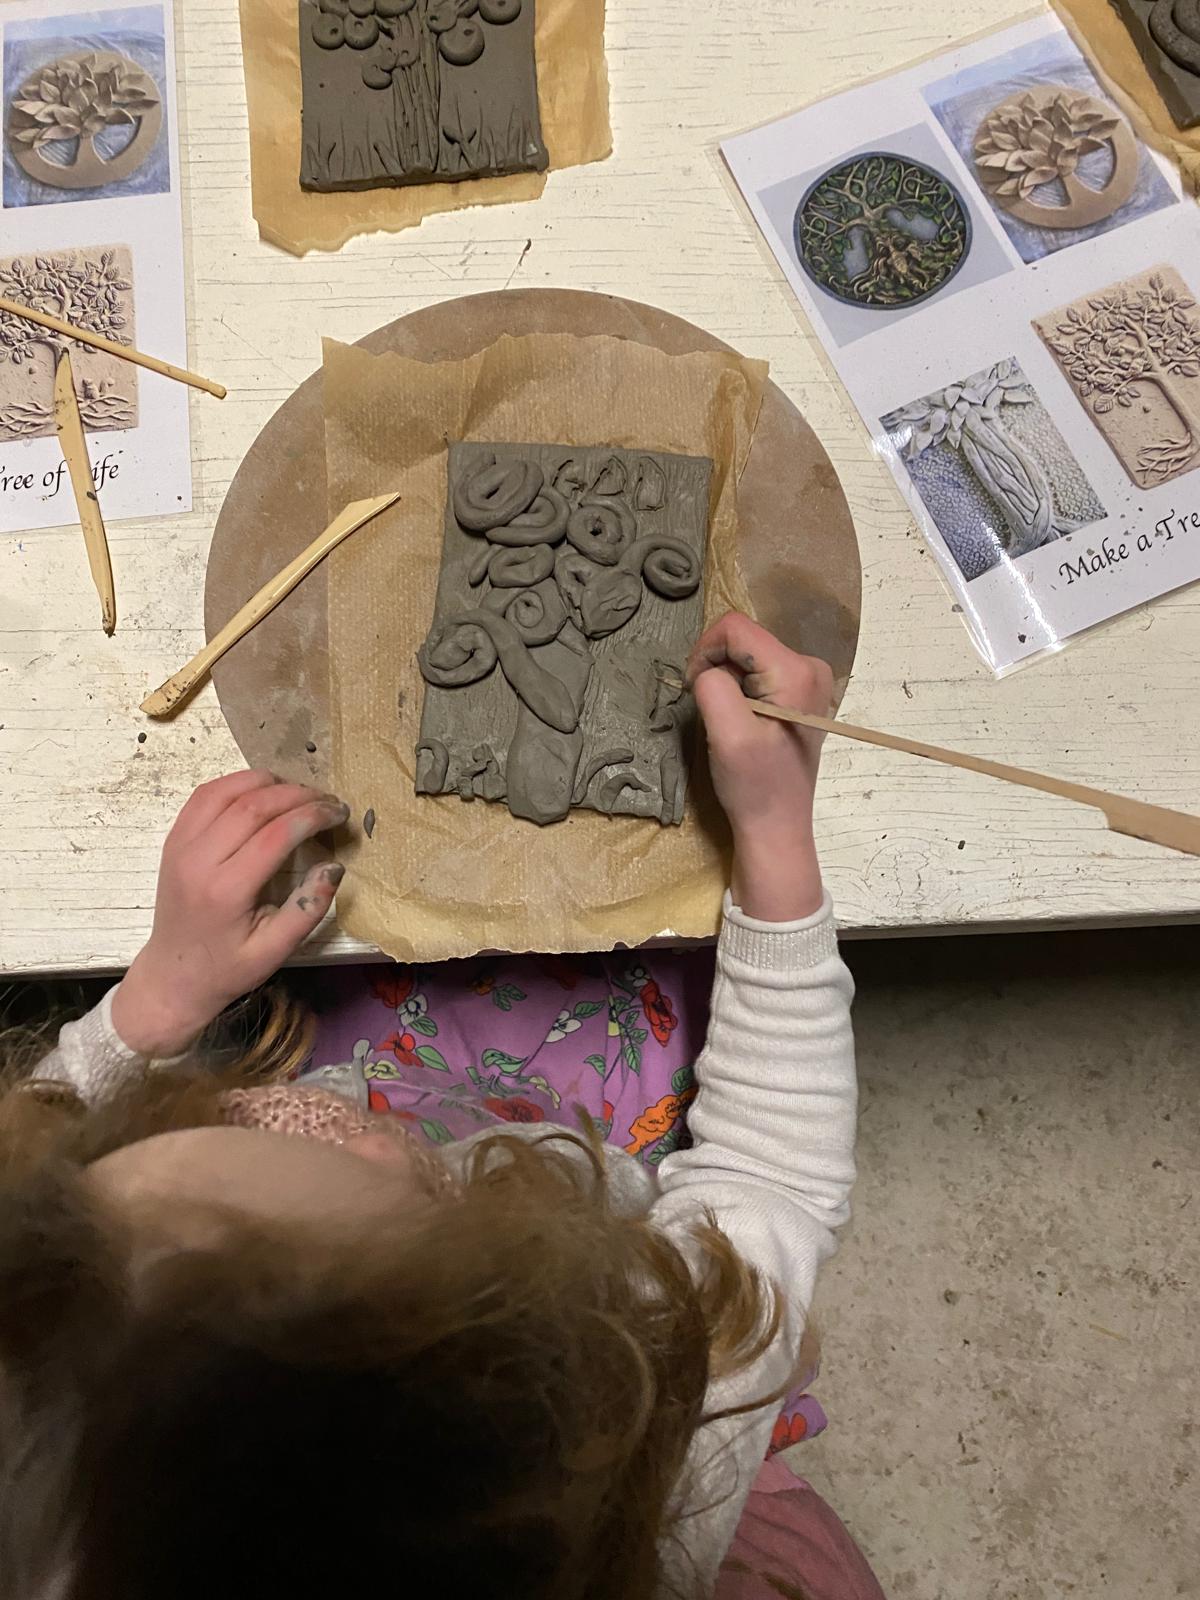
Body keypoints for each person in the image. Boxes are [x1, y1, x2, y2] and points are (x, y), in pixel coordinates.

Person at [0, 614, 883, 1600]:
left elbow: (39, 1160)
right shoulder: (644, 1437)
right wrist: (774, 831)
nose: (350, 1128)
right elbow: (772, 1175)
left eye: (189, 1123)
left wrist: (154, 1005)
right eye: (400, 1191)